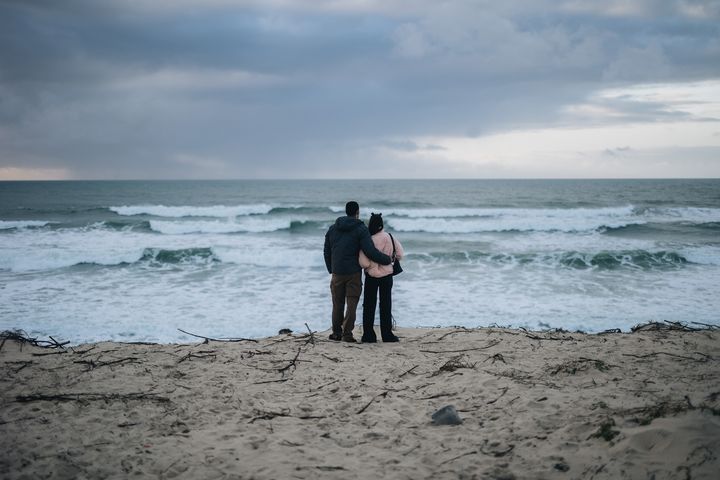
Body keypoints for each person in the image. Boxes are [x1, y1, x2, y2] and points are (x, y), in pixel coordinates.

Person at [324, 201, 392, 342]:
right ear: (357, 212)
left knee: (337, 304)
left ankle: (336, 333)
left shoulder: (332, 228)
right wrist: (387, 260)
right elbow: (370, 251)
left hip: (337, 272)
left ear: (346, 211)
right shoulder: (360, 229)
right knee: (352, 304)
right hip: (353, 272)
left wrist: (331, 268)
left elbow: (326, 250)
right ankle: (347, 335)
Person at [359, 213, 404, 343]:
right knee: (386, 304)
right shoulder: (390, 237)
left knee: (369, 305)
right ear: (382, 224)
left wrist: (371, 265)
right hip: (387, 275)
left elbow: (363, 262)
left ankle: (368, 335)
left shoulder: (368, 239)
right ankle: (387, 334)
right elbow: (400, 254)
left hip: (371, 276)